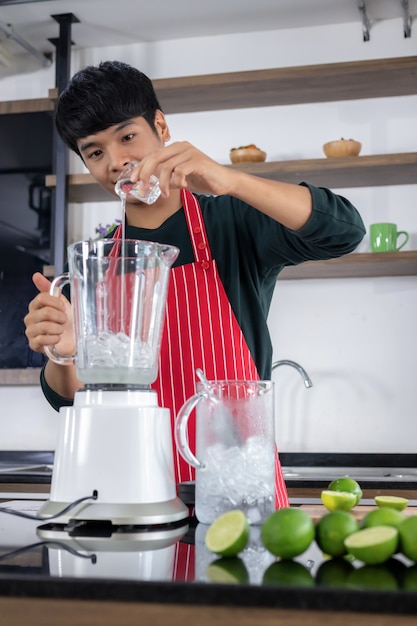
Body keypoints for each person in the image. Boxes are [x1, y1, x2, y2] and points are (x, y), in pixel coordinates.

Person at [24, 60, 366, 508]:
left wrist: (231, 181)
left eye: (127, 137)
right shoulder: (95, 265)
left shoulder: (231, 221)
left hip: (237, 486)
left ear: (160, 126)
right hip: (134, 488)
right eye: (95, 152)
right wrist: (65, 353)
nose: (117, 162)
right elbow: (66, 398)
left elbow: (344, 230)